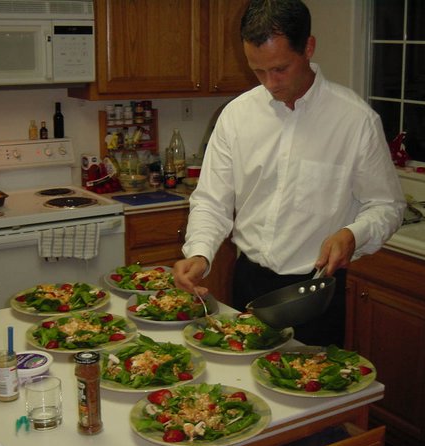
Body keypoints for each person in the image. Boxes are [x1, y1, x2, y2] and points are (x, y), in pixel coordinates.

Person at [173, 0, 405, 347]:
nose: (271, 83)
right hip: (249, 283)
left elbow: (387, 206)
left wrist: (352, 234)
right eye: (258, 71)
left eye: (280, 69)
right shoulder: (236, 116)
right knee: (244, 393)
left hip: (314, 291)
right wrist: (200, 253)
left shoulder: (355, 121)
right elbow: (211, 200)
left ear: (308, 48)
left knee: (314, 394)